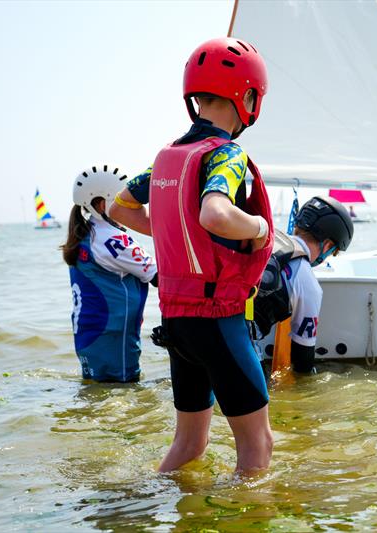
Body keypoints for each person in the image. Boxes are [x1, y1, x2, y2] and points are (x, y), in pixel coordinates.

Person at [108, 37, 274, 475]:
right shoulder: (226, 154)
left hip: (177, 324)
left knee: (189, 444)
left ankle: (154, 507)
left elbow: (117, 206)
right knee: (258, 448)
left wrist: (167, 233)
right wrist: (260, 229)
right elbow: (215, 214)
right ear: (249, 97)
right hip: (218, 320)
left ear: (193, 98)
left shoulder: (167, 159)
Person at [61, 165, 158, 382]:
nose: (129, 206)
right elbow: (159, 276)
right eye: (122, 200)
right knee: (124, 392)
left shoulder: (87, 235)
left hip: (89, 334)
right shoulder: (113, 239)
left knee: (97, 392)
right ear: (103, 203)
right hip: (112, 334)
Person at [253, 196, 354, 373]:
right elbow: (303, 356)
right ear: (327, 245)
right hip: (236, 338)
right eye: (333, 252)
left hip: (197, 325)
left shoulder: (269, 238)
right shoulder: (307, 281)